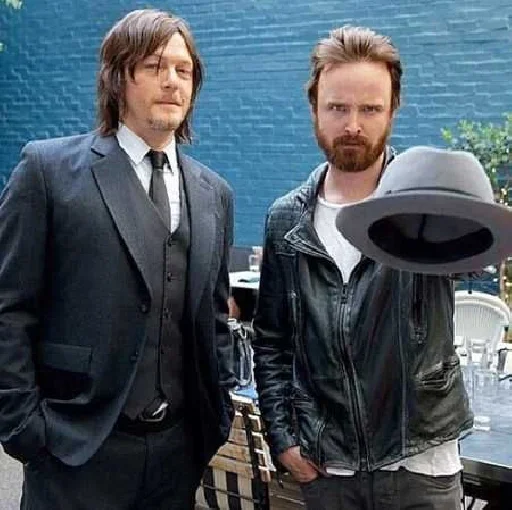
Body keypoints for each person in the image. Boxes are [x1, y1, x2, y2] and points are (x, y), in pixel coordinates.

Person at [0, 9, 235, 510]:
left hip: (177, 454)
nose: (172, 81)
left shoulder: (214, 193)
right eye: (154, 66)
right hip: (74, 452)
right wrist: (23, 426)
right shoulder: (47, 171)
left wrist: (217, 414)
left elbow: (214, 317)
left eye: (183, 69)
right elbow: (8, 308)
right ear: (117, 77)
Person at [252, 26, 472, 510]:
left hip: (421, 462)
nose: (353, 124)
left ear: (393, 110)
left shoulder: (424, 204)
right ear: (314, 108)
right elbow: (271, 341)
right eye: (337, 107)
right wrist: (282, 437)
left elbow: (476, 257)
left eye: (370, 109)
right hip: (329, 468)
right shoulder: (286, 220)